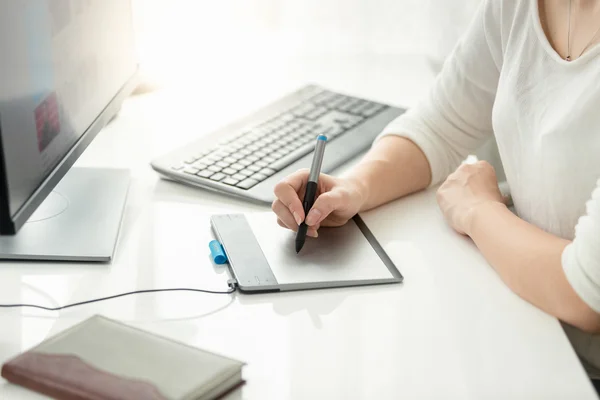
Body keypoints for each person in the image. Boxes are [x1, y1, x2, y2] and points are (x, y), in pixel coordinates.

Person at [271, 0, 600, 385]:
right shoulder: (517, 7)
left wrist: (478, 210)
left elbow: (584, 292)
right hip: (532, 326)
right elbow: (440, 124)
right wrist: (353, 188)